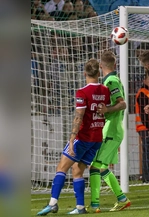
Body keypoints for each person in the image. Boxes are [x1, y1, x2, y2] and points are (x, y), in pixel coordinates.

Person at [37, 59, 110, 215]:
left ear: (84, 73)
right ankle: (80, 207)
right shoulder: (105, 91)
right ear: (98, 73)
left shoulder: (82, 92)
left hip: (83, 137)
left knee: (61, 167)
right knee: (77, 170)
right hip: (97, 138)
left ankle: (52, 203)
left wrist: (71, 139)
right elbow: (106, 109)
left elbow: (79, 117)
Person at [88, 51, 130, 213]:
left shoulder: (111, 81)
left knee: (94, 167)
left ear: (100, 66)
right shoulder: (111, 80)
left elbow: (122, 104)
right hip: (112, 128)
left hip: (111, 129)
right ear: (115, 65)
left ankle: (94, 204)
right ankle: (122, 199)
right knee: (102, 167)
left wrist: (106, 109)